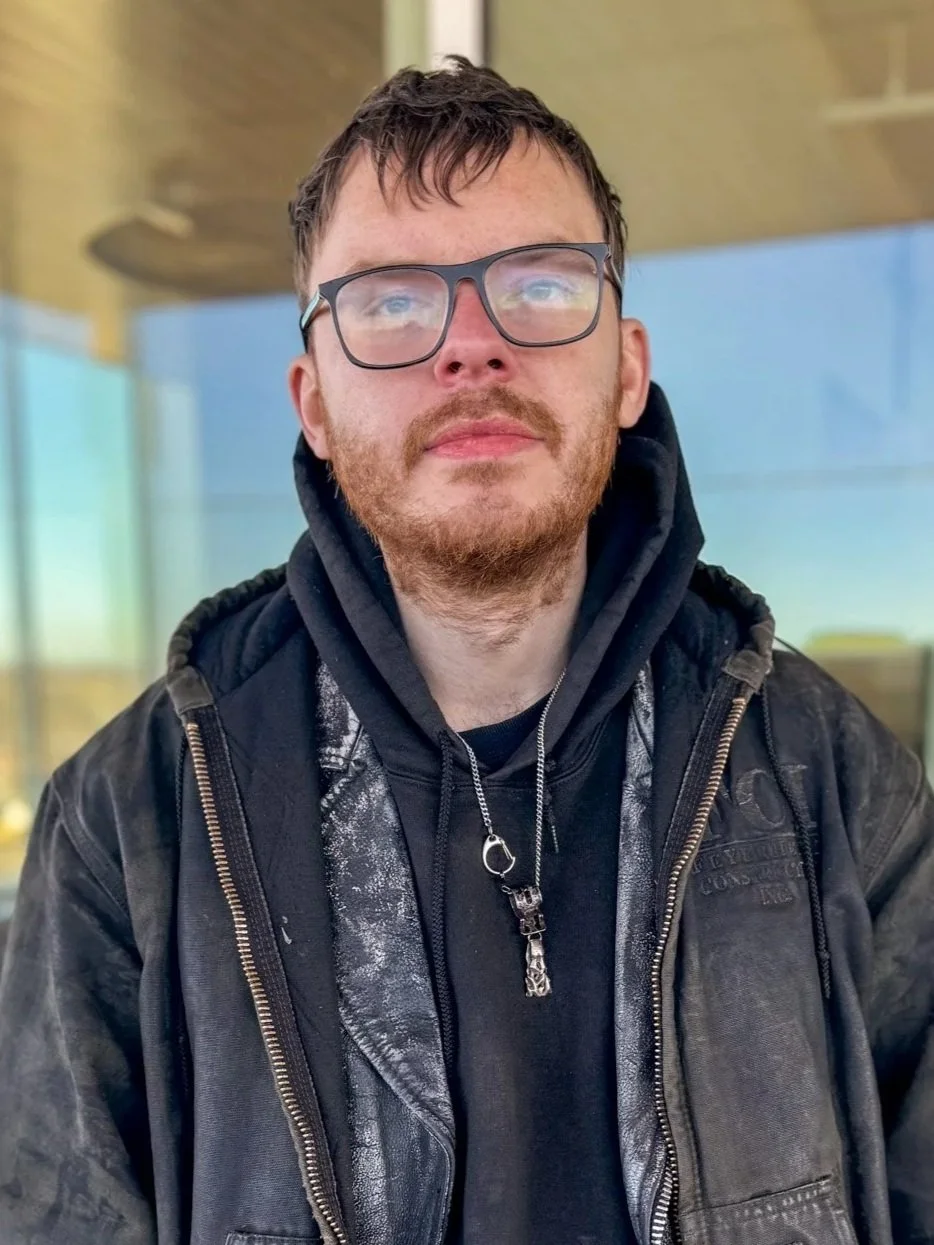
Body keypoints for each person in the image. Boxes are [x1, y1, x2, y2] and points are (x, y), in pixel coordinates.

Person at [0, 56, 931, 1245]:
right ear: (314, 404)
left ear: (628, 368)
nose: (471, 347)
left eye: (540, 286)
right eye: (390, 301)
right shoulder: (131, 823)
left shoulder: (832, 779)